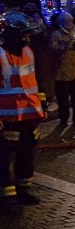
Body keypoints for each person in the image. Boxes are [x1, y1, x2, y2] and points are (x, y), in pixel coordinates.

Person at [0, 12, 48, 211]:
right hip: (6, 117)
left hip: (29, 115)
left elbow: (33, 82)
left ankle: (23, 190)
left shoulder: (28, 52)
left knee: (27, 154)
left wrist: (42, 104)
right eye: (23, 35)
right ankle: (5, 197)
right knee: (3, 157)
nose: (26, 38)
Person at [49, 13, 75, 126]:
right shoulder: (56, 34)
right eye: (67, 21)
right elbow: (53, 49)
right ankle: (64, 119)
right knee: (63, 98)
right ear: (61, 23)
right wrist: (65, 45)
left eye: (71, 21)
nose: (70, 24)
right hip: (62, 71)